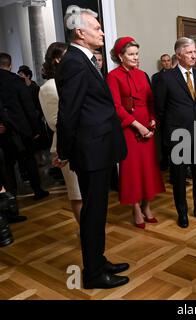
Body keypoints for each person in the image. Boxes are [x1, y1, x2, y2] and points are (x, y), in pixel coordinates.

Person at [56, 7, 129, 289]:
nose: (101, 31)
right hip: (90, 151)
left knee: (97, 211)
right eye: (96, 28)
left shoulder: (83, 59)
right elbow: (69, 112)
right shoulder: (74, 62)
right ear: (80, 32)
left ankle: (98, 261)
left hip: (99, 147)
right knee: (93, 213)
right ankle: (94, 274)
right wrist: (63, 151)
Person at [106, 37, 165, 229]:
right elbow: (115, 106)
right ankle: (136, 208)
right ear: (120, 56)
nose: (135, 57)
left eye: (137, 54)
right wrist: (138, 126)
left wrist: (153, 120)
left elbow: (150, 101)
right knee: (133, 170)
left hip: (148, 127)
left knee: (148, 169)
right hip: (129, 130)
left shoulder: (142, 74)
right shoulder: (113, 76)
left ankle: (147, 206)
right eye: (130, 54)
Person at [155, 37, 196, 229]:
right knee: (179, 178)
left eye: (195, 52)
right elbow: (160, 109)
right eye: (189, 52)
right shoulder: (166, 78)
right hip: (178, 136)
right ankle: (182, 212)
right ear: (178, 54)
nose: (194, 55)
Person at [39, 42, 82, 224]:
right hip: (67, 145)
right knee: (77, 193)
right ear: (57, 59)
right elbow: (55, 122)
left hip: (86, 142)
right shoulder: (48, 87)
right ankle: (84, 230)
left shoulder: (73, 80)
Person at [0, 52, 49, 200]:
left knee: (7, 166)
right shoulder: (17, 81)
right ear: (10, 64)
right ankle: (37, 191)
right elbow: (28, 107)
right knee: (29, 160)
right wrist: (36, 129)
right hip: (22, 129)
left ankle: (11, 198)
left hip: (3, 129)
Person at [152, 54, 174, 171]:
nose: (166, 63)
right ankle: (165, 164)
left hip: (174, 114)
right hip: (162, 115)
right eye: (164, 61)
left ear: (171, 61)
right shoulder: (156, 77)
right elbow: (156, 96)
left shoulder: (176, 75)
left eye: (168, 60)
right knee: (164, 142)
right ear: (161, 63)